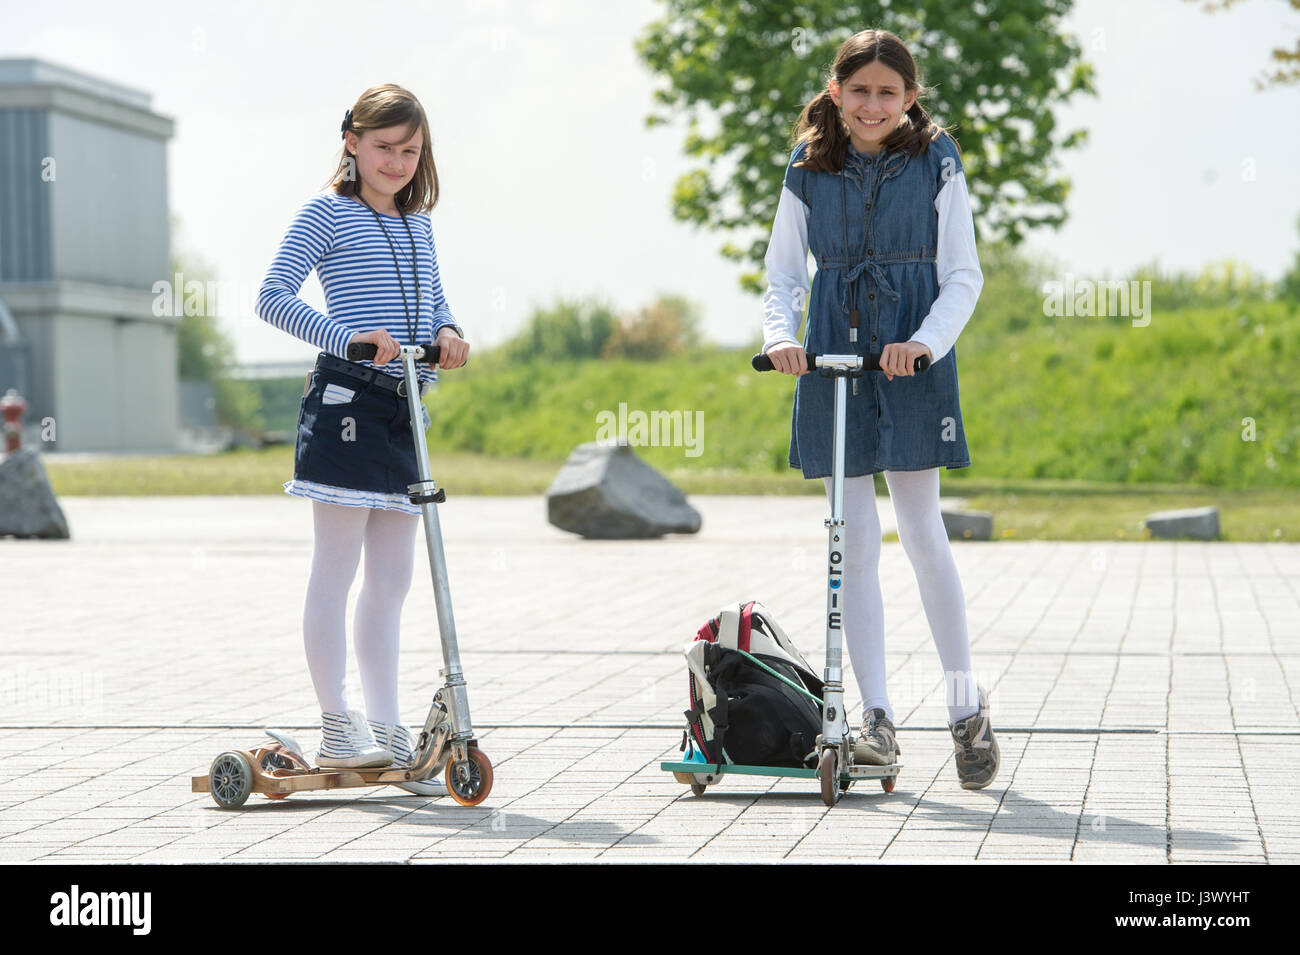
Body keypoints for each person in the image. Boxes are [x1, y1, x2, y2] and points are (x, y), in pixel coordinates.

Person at [760, 29, 999, 789]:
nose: (872, 105)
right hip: (833, 353)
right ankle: (876, 717)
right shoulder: (806, 163)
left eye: (887, 93)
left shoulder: (938, 159)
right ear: (836, 91)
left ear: (910, 97)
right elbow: (782, 273)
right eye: (858, 90)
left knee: (923, 532)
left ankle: (965, 707)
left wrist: (923, 343)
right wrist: (779, 336)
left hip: (911, 354)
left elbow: (963, 274)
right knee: (852, 540)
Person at [255, 84, 469, 795]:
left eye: (410, 150)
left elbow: (433, 299)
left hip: (405, 411)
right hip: (346, 404)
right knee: (337, 564)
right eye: (384, 147)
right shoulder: (327, 213)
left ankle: (386, 728)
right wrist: (346, 339)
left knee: (392, 579)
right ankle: (337, 720)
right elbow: (273, 295)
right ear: (351, 140)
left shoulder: (421, 224)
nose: (397, 162)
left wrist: (446, 332)